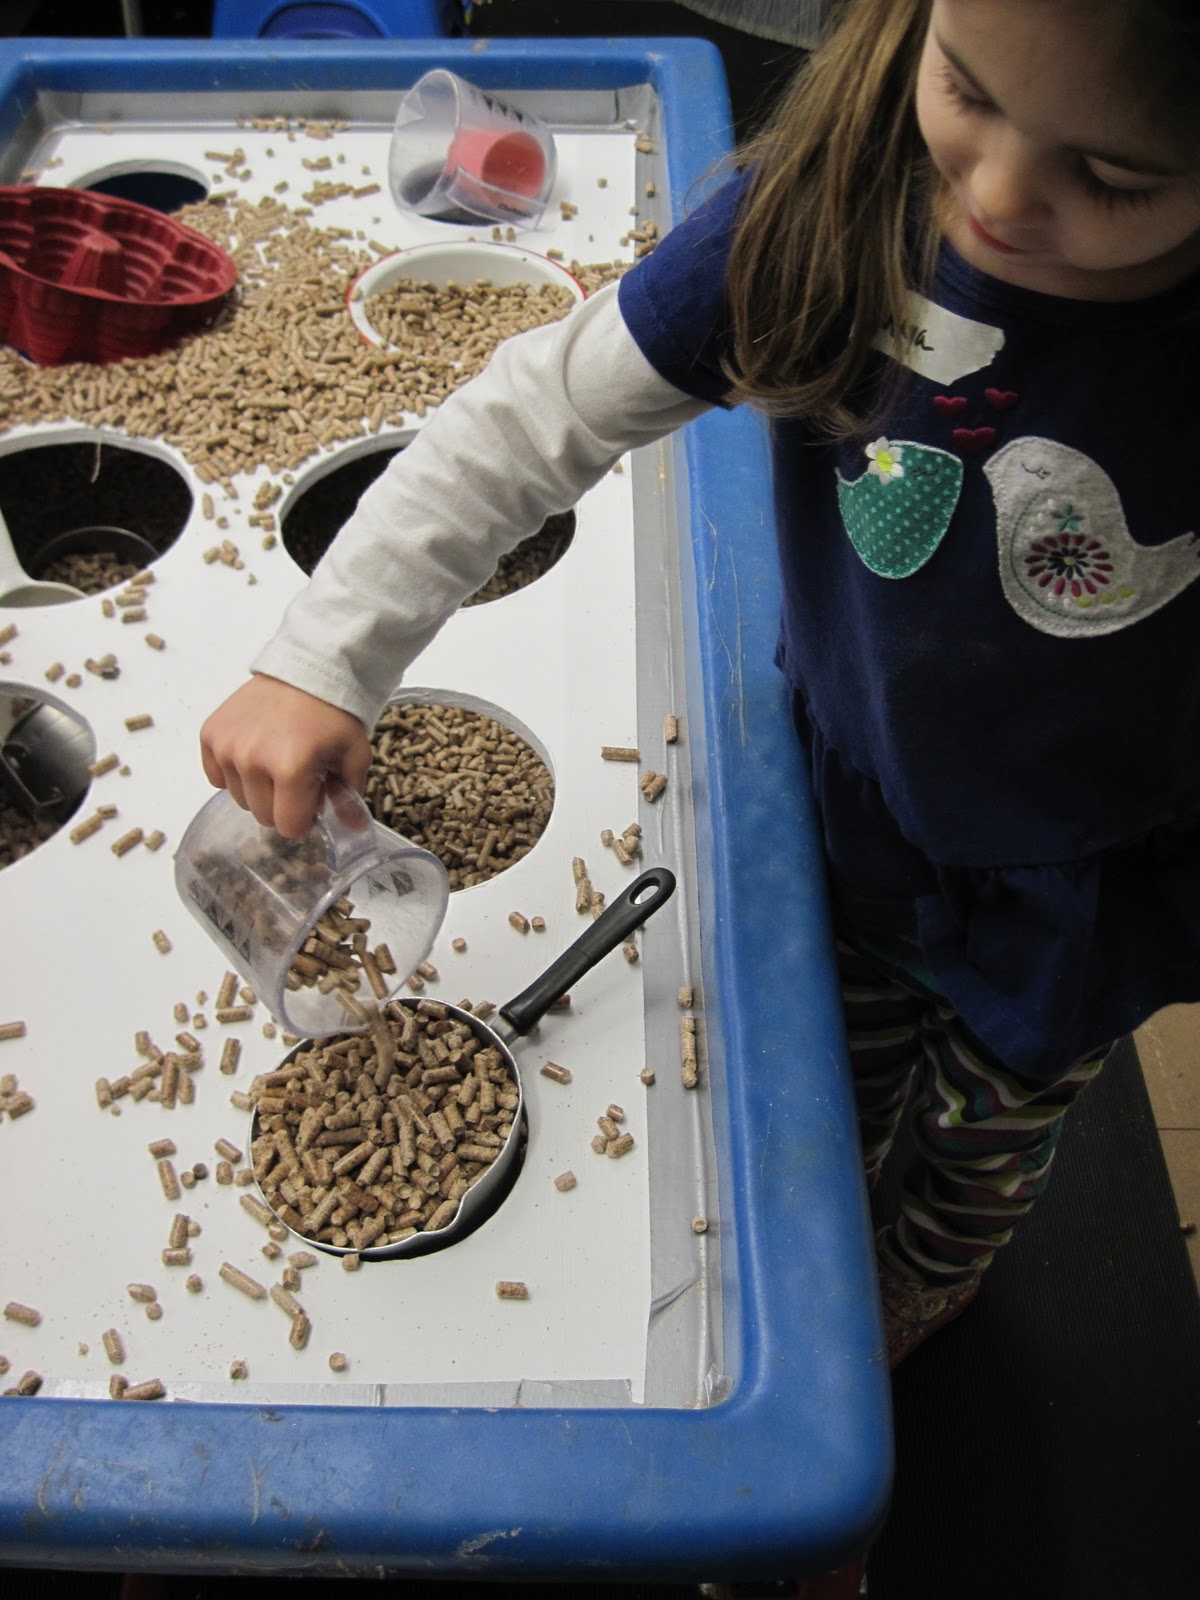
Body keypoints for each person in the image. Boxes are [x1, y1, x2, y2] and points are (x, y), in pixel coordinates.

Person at [201, 0, 1200, 1377]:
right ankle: (828, 1253)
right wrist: (326, 657)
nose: (998, 194)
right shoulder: (827, 214)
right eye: (966, 91)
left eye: (1116, 177)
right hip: (850, 801)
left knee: (987, 1128)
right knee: (830, 1068)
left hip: (1090, 872)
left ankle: (922, 1284)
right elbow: (533, 416)